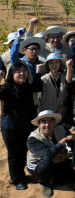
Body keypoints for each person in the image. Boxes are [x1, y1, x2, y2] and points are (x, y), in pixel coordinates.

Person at [0, 62, 43, 191]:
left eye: (24, 71)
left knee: (23, 152)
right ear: (12, 74)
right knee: (14, 154)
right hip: (10, 126)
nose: (22, 74)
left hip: (25, 125)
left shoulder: (27, 87)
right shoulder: (6, 88)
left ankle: (21, 175)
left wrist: (38, 72)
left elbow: (37, 86)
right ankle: (17, 180)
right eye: (18, 71)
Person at [27, 110, 75, 197]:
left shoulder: (62, 129)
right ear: (39, 124)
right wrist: (64, 140)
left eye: (50, 121)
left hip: (58, 161)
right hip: (38, 164)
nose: (47, 125)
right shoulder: (33, 138)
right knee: (46, 165)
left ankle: (56, 176)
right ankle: (44, 183)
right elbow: (48, 155)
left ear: (54, 122)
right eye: (44, 122)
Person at [38, 53, 73, 128]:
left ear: (60, 63)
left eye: (57, 62)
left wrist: (69, 68)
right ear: (48, 65)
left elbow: (69, 83)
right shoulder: (43, 79)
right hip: (48, 118)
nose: (54, 65)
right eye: (51, 63)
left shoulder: (64, 77)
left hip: (62, 116)